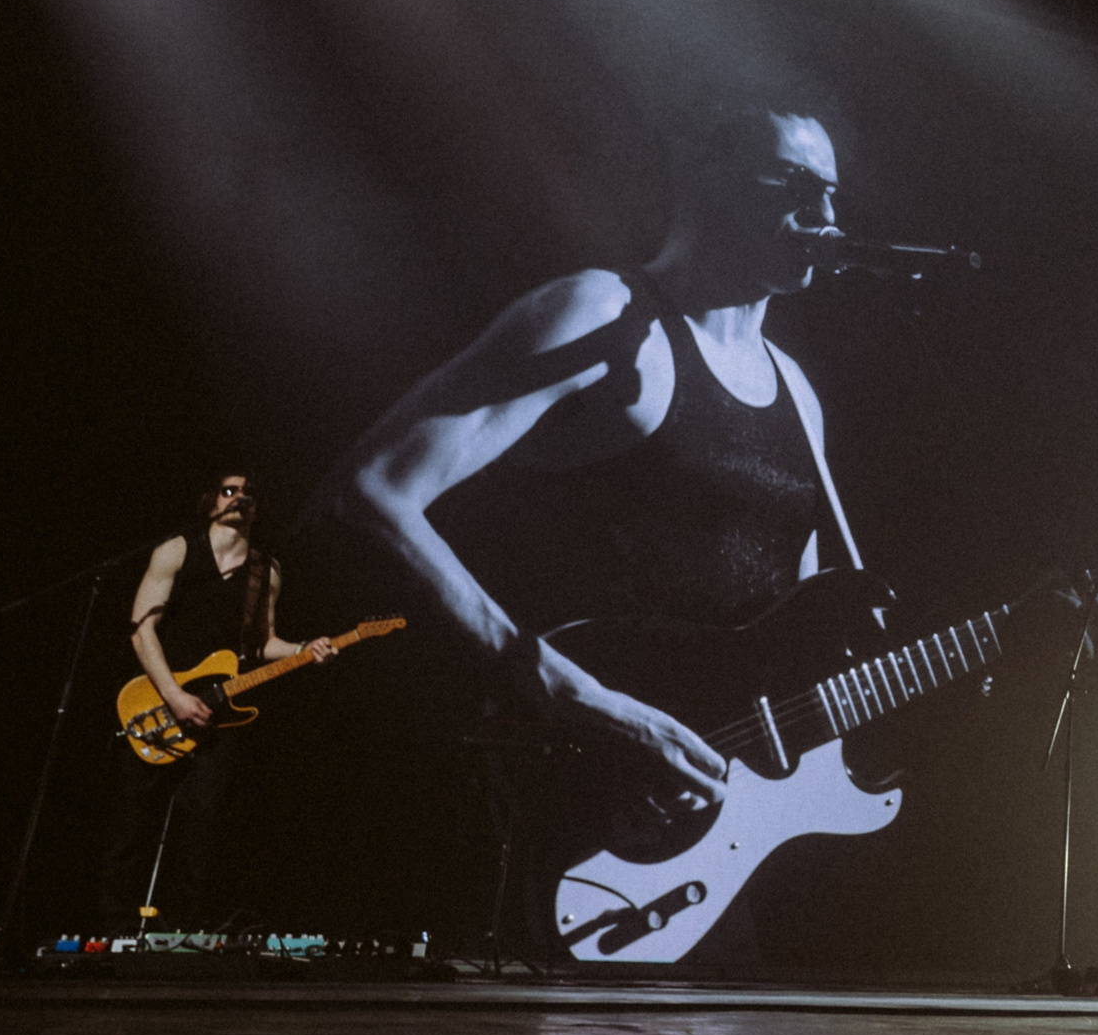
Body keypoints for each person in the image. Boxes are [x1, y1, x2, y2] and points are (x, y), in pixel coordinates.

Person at [331, 101, 861, 950]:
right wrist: (579, 696)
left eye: (832, 192)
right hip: (544, 796)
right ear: (703, 178)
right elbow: (369, 493)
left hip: (696, 847)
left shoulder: (797, 391)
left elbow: (790, 640)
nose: (825, 215)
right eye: (794, 184)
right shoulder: (597, 313)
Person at [99, 469, 332, 930]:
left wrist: (304, 649)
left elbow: (261, 643)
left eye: (248, 493)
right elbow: (141, 630)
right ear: (212, 502)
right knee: (130, 825)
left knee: (202, 827)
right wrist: (175, 696)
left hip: (217, 711)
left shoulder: (265, 571)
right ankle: (111, 933)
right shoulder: (178, 549)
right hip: (155, 701)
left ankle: (182, 934)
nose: (239, 497)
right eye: (230, 490)